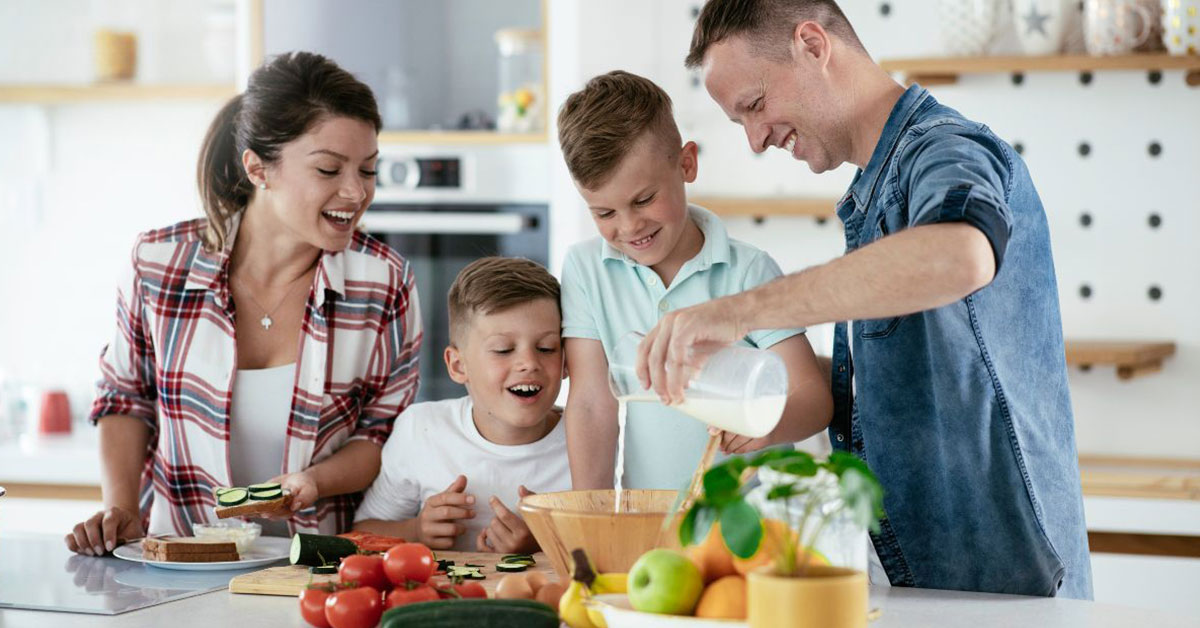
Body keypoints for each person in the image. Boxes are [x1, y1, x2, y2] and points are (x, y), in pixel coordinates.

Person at [636, 0, 1093, 599]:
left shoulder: (943, 150)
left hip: (1010, 586)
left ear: (813, 45)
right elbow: (930, 382)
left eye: (754, 105)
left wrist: (736, 310)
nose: (755, 140)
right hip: (938, 584)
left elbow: (960, 256)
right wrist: (773, 385)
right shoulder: (873, 190)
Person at [65, 51, 422, 556]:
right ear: (258, 168)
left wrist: (312, 482)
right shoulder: (159, 263)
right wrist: (120, 509)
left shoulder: (384, 282)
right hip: (177, 564)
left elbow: (383, 434)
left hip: (322, 573)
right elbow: (126, 399)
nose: (356, 192)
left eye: (368, 170)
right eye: (328, 168)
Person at [557, 70, 832, 494]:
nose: (629, 227)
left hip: (750, 528)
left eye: (644, 199)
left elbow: (813, 398)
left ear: (687, 164)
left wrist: (769, 424)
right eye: (604, 213)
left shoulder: (749, 272)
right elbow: (592, 403)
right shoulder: (585, 269)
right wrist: (588, 515)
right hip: (643, 528)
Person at [353, 257, 569, 553]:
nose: (529, 363)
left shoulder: (594, 444)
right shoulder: (422, 430)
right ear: (458, 365)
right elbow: (360, 533)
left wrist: (543, 544)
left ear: (568, 360)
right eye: (503, 350)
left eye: (546, 348)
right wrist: (415, 531)